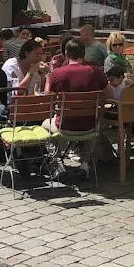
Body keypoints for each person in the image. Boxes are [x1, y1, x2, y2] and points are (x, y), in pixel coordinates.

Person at [43, 39, 113, 177]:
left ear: (66, 54)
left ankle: (57, 162)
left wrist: (47, 78)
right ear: (84, 53)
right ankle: (85, 164)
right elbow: (110, 93)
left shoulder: (58, 73)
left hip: (65, 125)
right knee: (84, 121)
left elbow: (48, 98)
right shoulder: (96, 72)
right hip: (90, 125)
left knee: (45, 124)